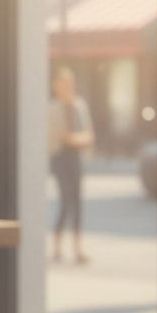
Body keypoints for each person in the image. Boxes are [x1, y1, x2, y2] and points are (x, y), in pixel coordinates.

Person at [48, 67, 94, 264]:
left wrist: (74, 139)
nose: (66, 86)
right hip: (59, 157)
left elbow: (89, 133)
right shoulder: (52, 108)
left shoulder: (80, 106)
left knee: (77, 202)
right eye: (62, 82)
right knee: (66, 201)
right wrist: (66, 138)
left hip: (76, 156)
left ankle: (77, 248)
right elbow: (53, 136)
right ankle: (57, 246)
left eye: (69, 82)